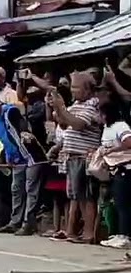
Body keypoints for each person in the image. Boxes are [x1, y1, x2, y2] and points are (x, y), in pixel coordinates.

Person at [0, 91, 46, 235]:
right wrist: (2, 155)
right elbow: (3, 137)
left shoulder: (10, 111)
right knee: (16, 189)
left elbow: (21, 129)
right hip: (16, 157)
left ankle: (28, 223)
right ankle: (15, 221)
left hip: (31, 153)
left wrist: (24, 135)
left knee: (31, 189)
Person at [51, 72, 102, 243]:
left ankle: (88, 233)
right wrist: (57, 107)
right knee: (75, 196)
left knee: (86, 197)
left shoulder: (92, 105)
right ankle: (71, 231)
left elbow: (79, 125)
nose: (72, 91)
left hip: (84, 157)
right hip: (72, 157)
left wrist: (62, 108)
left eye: (76, 87)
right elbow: (64, 123)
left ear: (88, 89)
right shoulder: (76, 104)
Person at [96, 102, 131, 249]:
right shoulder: (106, 128)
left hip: (126, 167)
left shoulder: (120, 126)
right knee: (117, 202)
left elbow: (128, 142)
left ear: (105, 114)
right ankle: (117, 233)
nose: (96, 116)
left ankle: (125, 235)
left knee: (124, 203)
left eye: (98, 113)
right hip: (114, 168)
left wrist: (111, 151)